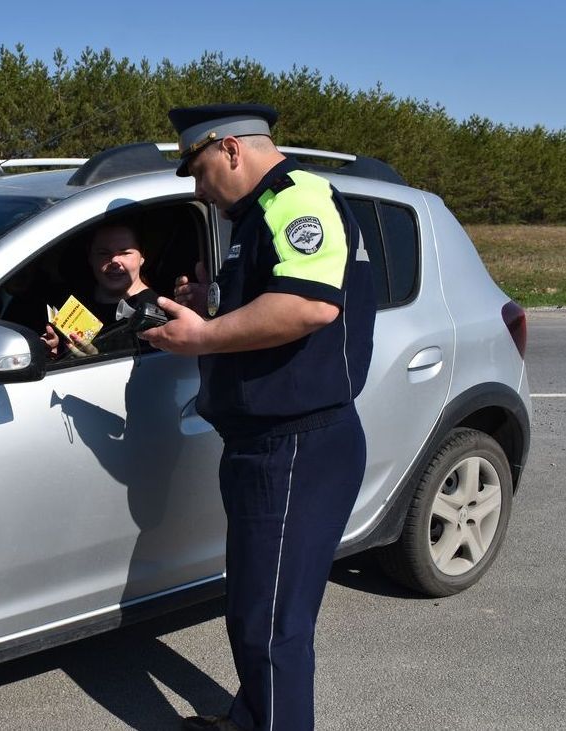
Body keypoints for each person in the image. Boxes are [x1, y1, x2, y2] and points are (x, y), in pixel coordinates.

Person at [139, 104, 376, 731]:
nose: (196, 188)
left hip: (296, 444)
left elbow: (307, 306)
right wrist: (211, 303)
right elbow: (274, 297)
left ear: (230, 150)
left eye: (196, 169)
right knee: (254, 611)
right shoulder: (256, 213)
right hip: (266, 442)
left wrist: (202, 337)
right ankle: (252, 719)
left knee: (273, 627)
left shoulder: (297, 199)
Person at [42, 222, 160, 358]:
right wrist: (56, 353)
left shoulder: (155, 313)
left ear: (142, 257)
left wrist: (96, 359)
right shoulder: (72, 301)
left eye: (125, 252)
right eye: (103, 253)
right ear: (90, 257)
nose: (115, 261)